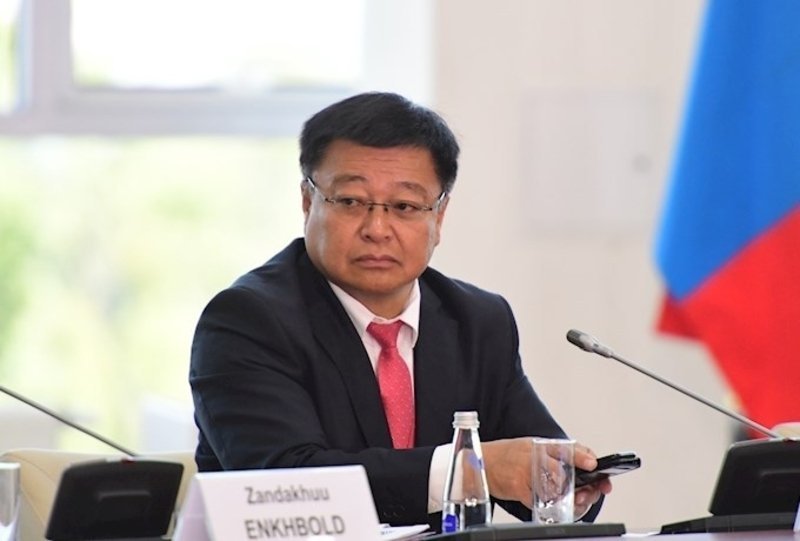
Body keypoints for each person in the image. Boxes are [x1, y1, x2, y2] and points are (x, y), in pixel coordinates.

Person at [189, 91, 612, 528]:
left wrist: (564, 486)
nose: (377, 229)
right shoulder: (246, 321)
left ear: (439, 217)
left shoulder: (477, 321)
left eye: (405, 207)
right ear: (307, 202)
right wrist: (467, 469)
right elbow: (286, 485)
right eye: (350, 201)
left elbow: (534, 469)